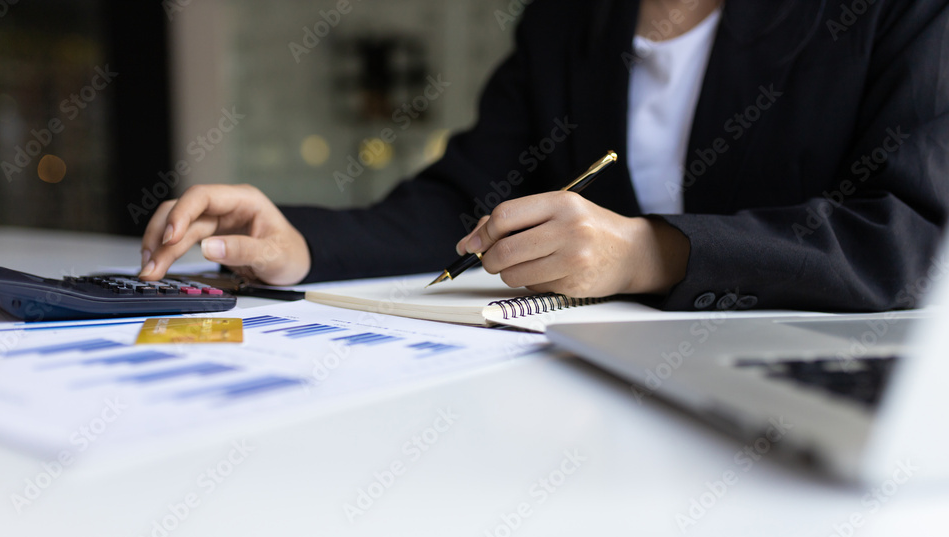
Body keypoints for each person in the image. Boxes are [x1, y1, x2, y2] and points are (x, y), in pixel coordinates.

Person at [139, 0, 949, 312]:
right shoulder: (567, 21)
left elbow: (914, 234)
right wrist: (304, 245)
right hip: (597, 402)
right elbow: (466, 202)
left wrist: (650, 251)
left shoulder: (896, 13)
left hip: (801, 414)